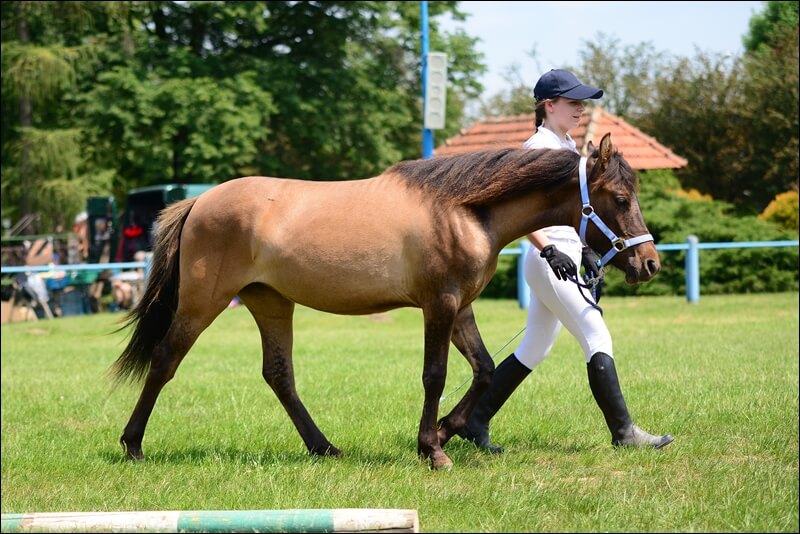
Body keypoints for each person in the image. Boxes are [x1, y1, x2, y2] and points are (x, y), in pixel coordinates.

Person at [459, 69, 673, 453]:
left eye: (582, 103)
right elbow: (516, 212)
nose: (580, 109)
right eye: (573, 103)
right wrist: (547, 248)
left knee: (534, 349)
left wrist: (587, 251)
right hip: (549, 259)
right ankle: (625, 434)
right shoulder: (537, 148)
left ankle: (474, 420)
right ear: (549, 105)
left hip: (567, 255)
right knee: (596, 334)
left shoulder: (569, 146)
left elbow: (580, 210)